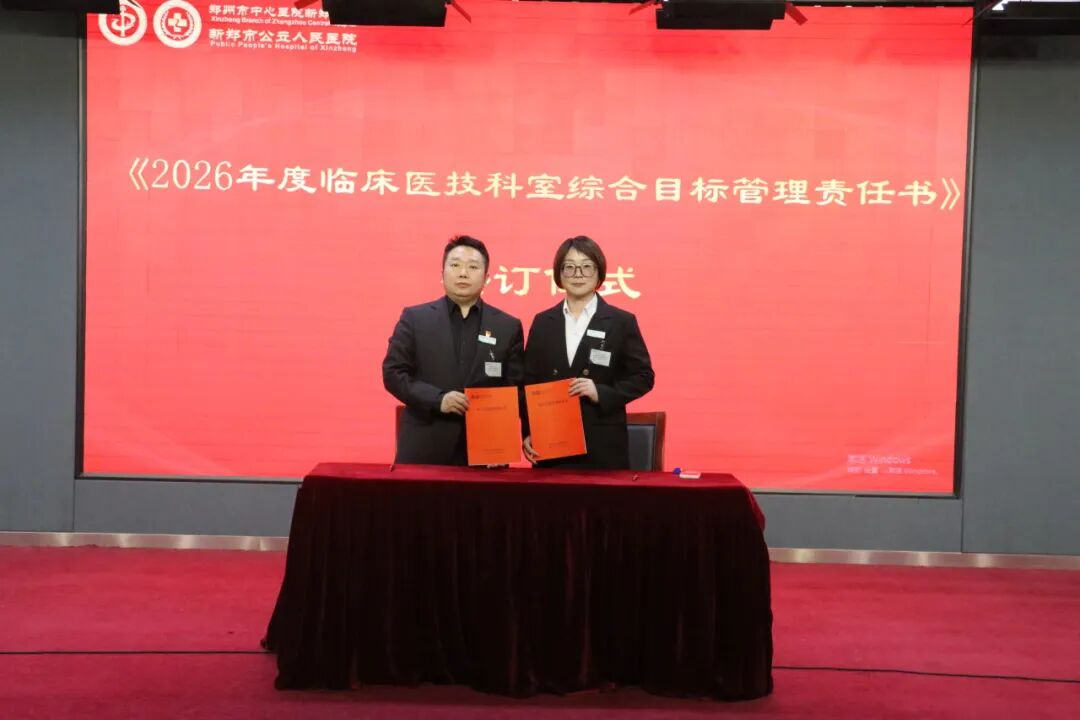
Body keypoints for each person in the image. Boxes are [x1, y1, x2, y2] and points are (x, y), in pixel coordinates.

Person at [383, 235, 525, 465]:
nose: (463, 273)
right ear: (442, 274)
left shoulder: (507, 326)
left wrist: (501, 442)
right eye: (455, 265)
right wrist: (438, 399)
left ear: (487, 278)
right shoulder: (415, 319)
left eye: (473, 267)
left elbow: (515, 389)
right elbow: (393, 373)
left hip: (486, 453)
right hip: (424, 448)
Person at [522, 235, 654, 470]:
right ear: (559, 274)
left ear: (599, 272)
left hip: (602, 444)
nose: (578, 274)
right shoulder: (543, 322)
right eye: (570, 267)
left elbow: (643, 377)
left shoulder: (620, 321)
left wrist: (600, 392)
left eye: (586, 267)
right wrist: (528, 431)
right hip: (551, 443)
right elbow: (528, 382)